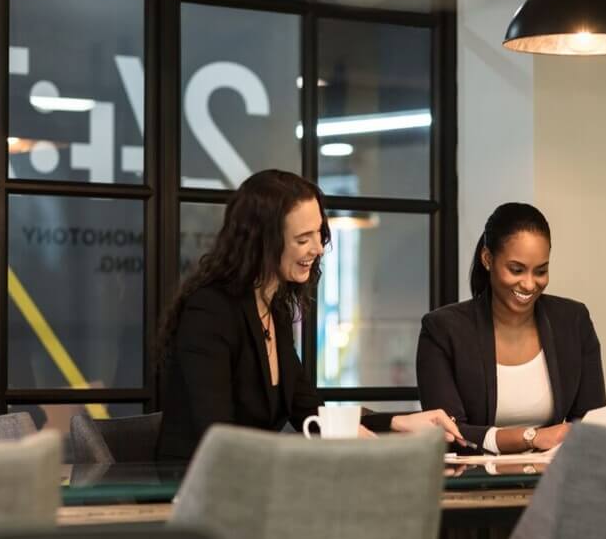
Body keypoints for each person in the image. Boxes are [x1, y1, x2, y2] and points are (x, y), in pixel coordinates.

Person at [156, 169, 462, 460]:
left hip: (252, 477)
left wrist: (397, 422)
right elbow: (218, 434)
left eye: (319, 233)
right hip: (193, 483)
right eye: (303, 239)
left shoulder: (274, 309)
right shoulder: (209, 310)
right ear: (262, 242)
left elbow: (309, 412)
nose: (318, 248)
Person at [416, 202, 606, 455]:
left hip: (552, 473)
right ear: (488, 259)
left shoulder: (573, 321)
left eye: (541, 271)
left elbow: (589, 421)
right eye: (516, 270)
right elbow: (450, 433)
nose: (529, 284)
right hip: (474, 475)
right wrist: (532, 437)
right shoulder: (443, 329)